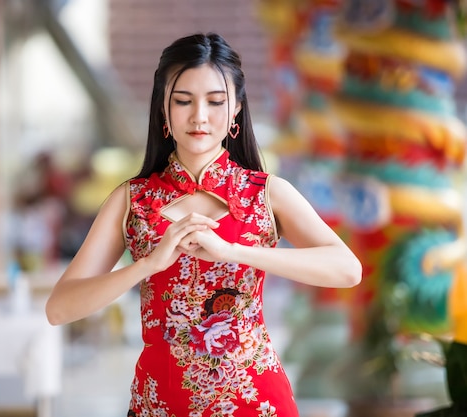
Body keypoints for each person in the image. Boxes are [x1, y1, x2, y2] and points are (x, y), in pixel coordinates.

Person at [46, 32, 362, 417]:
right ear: (163, 108)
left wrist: (234, 252)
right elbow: (59, 309)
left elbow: (348, 270)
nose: (199, 116)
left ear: (236, 110)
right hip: (159, 405)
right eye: (183, 101)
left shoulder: (267, 194)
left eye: (215, 102)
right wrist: (146, 265)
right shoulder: (132, 200)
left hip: (255, 402)